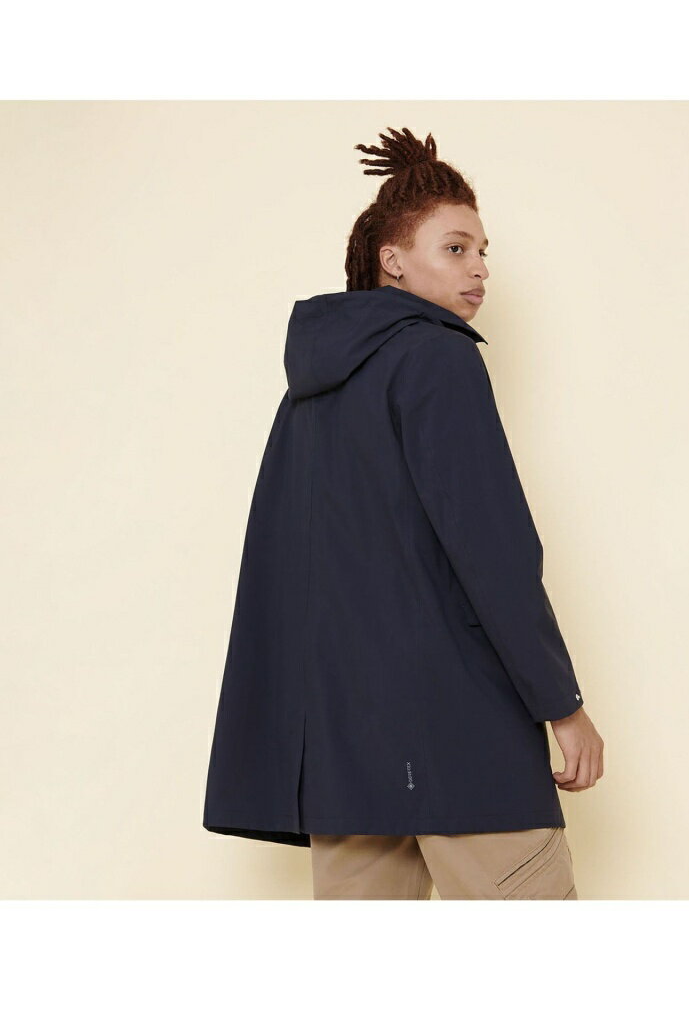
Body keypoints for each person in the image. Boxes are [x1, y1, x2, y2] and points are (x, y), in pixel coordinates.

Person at [203, 126, 604, 900]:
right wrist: (563, 704)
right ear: (392, 259)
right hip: (459, 739)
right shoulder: (438, 356)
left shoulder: (313, 387)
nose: (479, 267)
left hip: (344, 754)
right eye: (455, 248)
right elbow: (492, 550)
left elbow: (292, 572)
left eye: (482, 251)